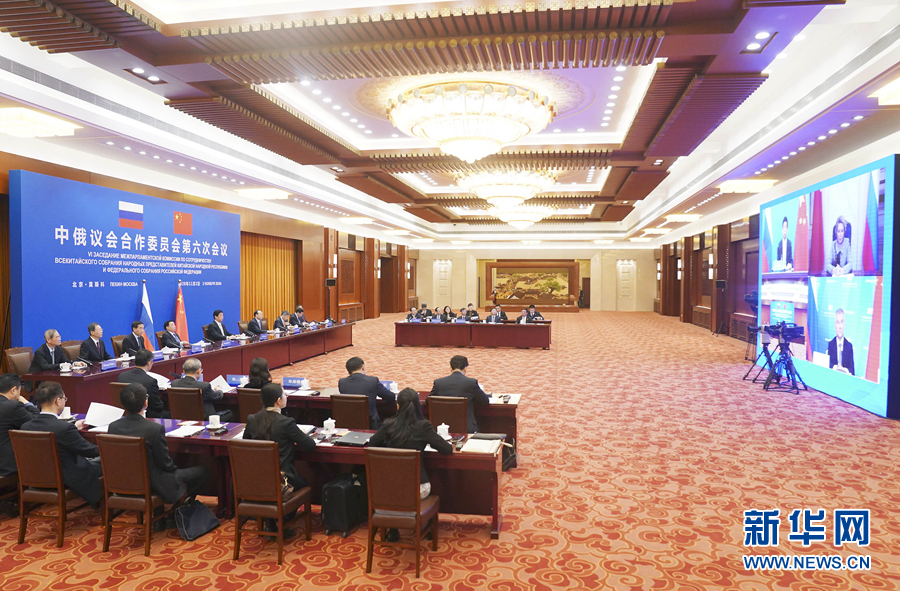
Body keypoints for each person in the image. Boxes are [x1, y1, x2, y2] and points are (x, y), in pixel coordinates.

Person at [108, 383, 208, 530]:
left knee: (156, 471)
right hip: (152, 482)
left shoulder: (113, 427)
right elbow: (165, 464)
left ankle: (160, 518)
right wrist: (175, 468)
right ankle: (174, 513)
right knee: (202, 471)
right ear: (145, 403)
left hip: (123, 481)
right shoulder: (154, 429)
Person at [369, 387, 453, 542]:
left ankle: (393, 530)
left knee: (397, 486)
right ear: (417, 406)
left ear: (398, 406)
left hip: (387, 489)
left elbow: (372, 445)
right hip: (417, 489)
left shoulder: (388, 425)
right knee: (433, 479)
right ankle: (427, 526)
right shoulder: (423, 426)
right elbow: (447, 449)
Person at [245, 383, 316, 536]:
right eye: (284, 394)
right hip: (283, 480)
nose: (286, 396)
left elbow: (246, 445)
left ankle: (271, 522)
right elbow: (310, 445)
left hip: (257, 479)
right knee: (304, 482)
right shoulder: (286, 422)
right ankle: (281, 521)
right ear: (278, 400)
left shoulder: (252, 419)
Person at [21, 382, 103, 508]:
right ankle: (106, 504)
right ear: (57, 401)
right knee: (105, 462)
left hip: (36, 476)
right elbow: (89, 451)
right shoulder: (64, 428)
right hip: (66, 477)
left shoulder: (25, 427)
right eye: (64, 398)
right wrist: (110, 449)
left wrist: (73, 427)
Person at [428, 355, 490, 433]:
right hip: (467, 429)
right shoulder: (471, 383)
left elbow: (428, 401)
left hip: (443, 429)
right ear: (465, 368)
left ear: (450, 368)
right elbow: (484, 401)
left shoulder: (439, 383)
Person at [337, 357, 396, 429]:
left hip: (348, 424)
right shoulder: (373, 381)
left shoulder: (342, 382)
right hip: (371, 425)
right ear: (362, 367)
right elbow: (390, 397)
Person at [0, 374, 38, 477]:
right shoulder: (12, 406)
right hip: (6, 466)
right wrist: (25, 402)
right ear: (13, 390)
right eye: (19, 392)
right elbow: (36, 421)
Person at [119, 350, 169, 418]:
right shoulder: (151, 381)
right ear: (149, 362)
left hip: (125, 413)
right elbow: (157, 407)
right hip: (146, 414)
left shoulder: (121, 376)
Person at [827, 308, 855, 376]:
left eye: (842, 322)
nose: (840, 326)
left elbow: (852, 370)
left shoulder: (849, 346)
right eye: (837, 322)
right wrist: (836, 368)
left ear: (844, 325)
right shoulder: (831, 344)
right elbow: (828, 365)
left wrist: (844, 370)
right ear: (835, 326)